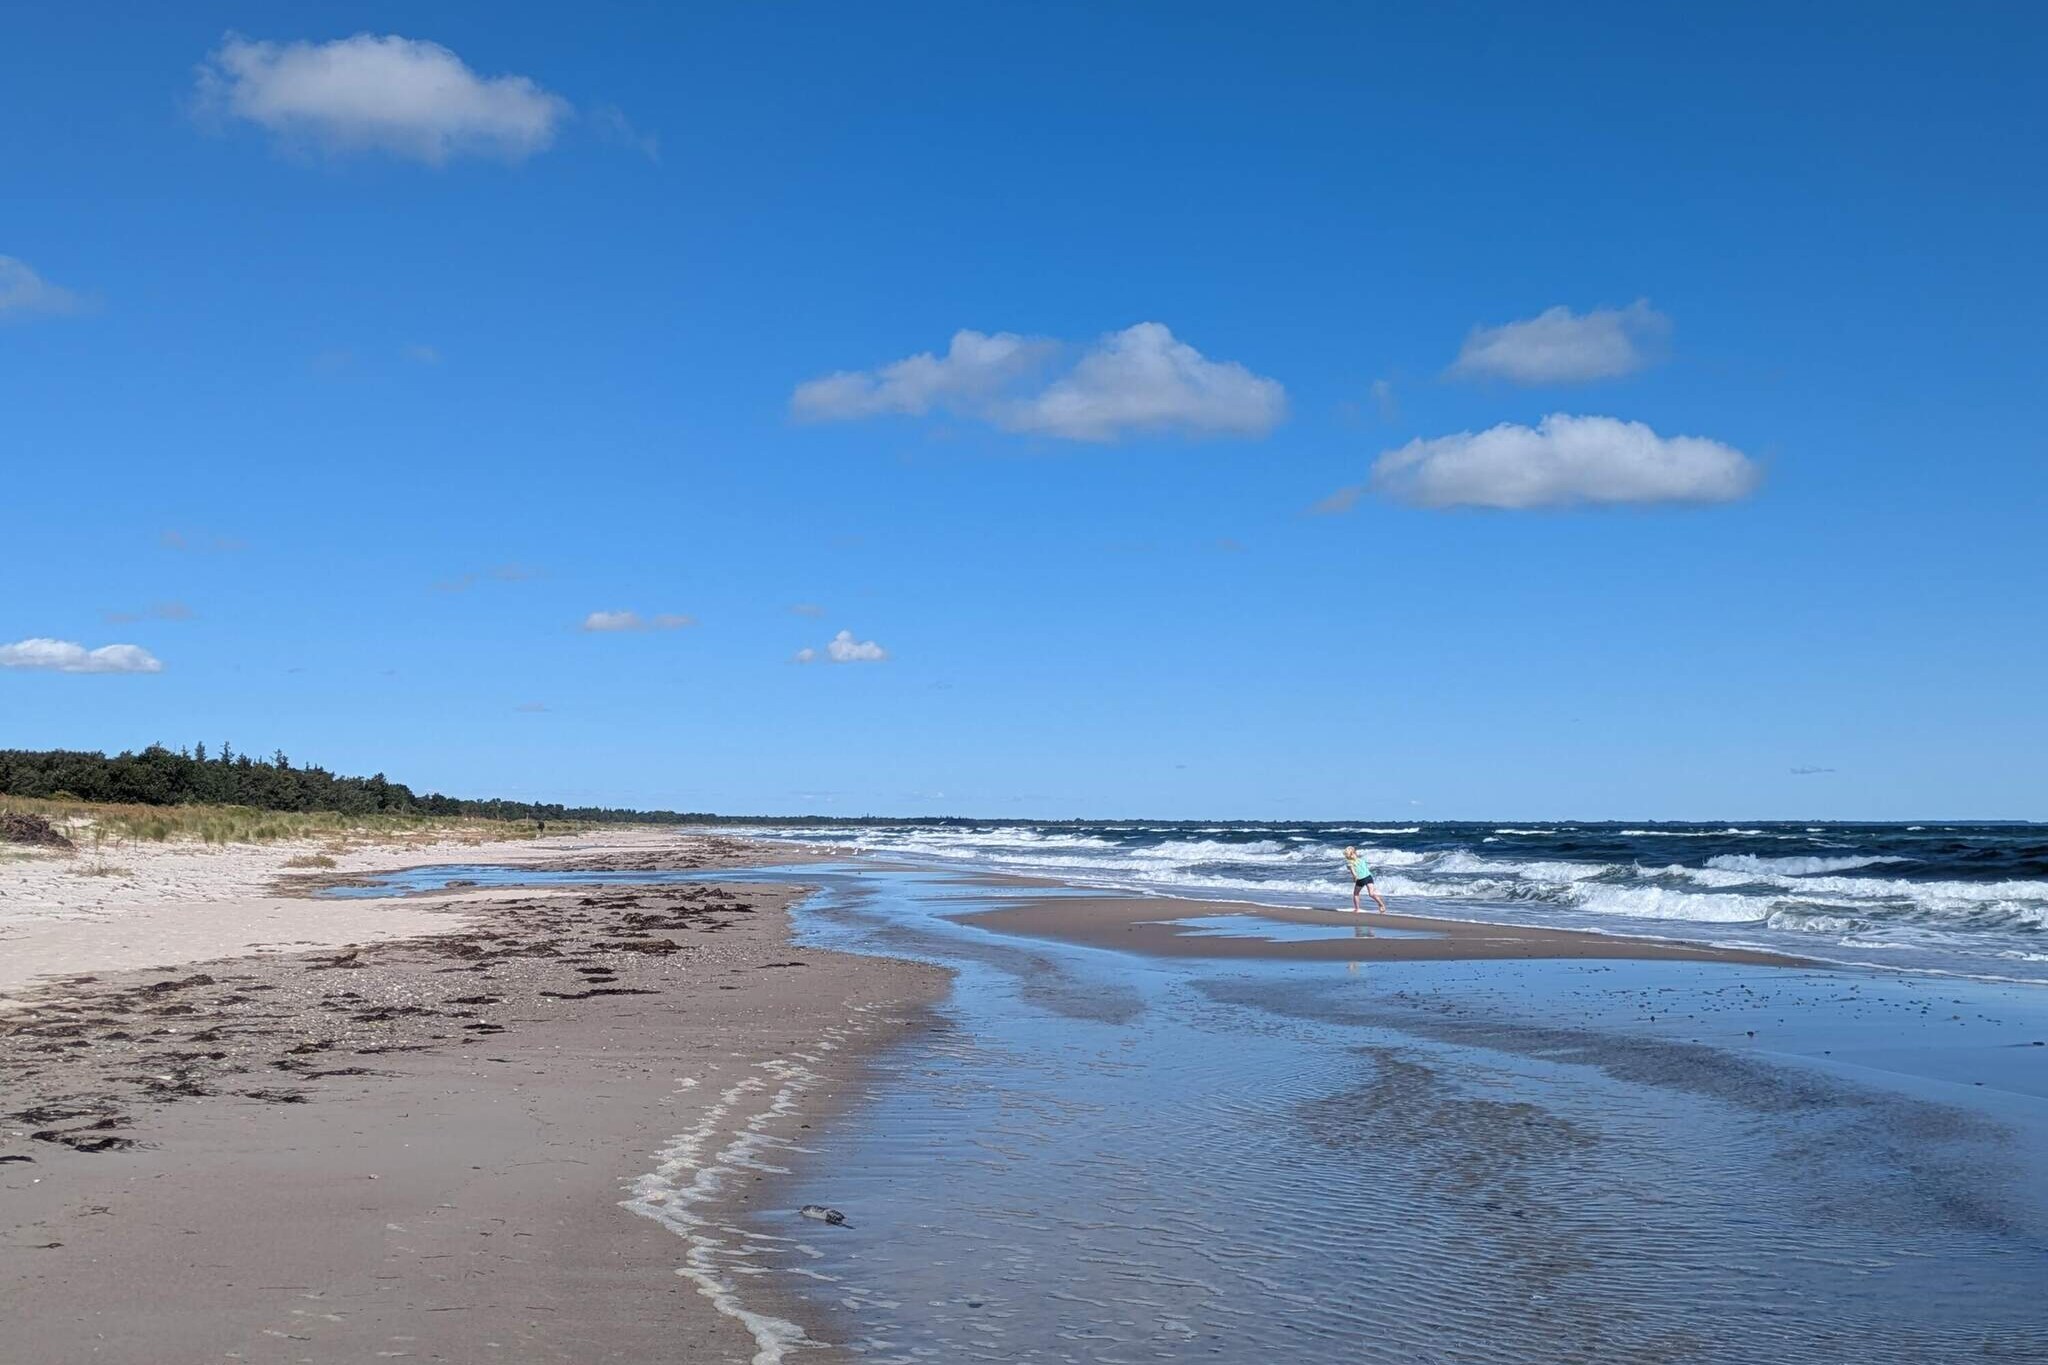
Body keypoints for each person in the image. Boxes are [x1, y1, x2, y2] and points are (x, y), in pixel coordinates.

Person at [1343, 846, 1387, 913]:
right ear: (1355, 852)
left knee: (1356, 894)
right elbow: (1365, 868)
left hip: (1361, 879)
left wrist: (1354, 878)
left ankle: (1357, 909)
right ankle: (1381, 905)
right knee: (1371, 893)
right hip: (1369, 877)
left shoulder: (1350, 863)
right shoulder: (1362, 860)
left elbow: (1353, 872)